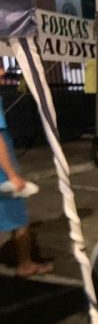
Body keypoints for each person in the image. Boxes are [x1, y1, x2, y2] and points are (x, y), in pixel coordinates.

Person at [0, 74, 53, 277]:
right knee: (20, 220)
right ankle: (25, 264)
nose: (3, 71)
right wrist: (12, 174)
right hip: (3, 172)